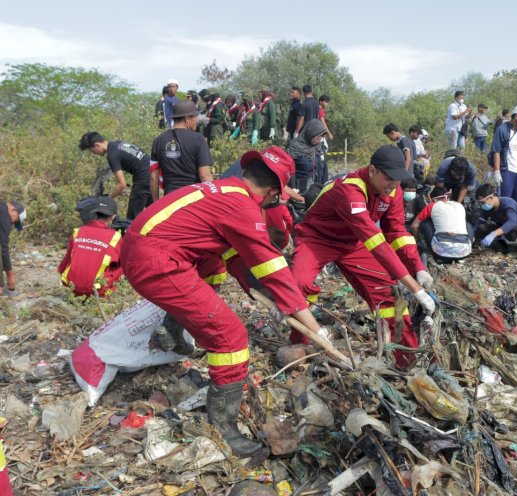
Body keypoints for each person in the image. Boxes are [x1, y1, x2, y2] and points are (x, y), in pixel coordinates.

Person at [121, 146, 327, 458]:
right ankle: (223, 424)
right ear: (273, 192)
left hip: (144, 251)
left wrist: (255, 288)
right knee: (231, 338)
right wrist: (315, 330)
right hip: (157, 262)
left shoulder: (222, 190)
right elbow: (272, 268)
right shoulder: (241, 206)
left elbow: (234, 256)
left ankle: (172, 326)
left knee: (210, 267)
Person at [291, 145, 435, 368]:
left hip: (353, 243)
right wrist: (415, 288)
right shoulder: (350, 190)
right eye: (388, 177)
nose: (394, 184)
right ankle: (298, 346)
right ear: (372, 170)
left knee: (390, 295)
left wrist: (418, 267)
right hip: (317, 239)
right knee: (299, 285)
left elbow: (396, 232)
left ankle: (406, 360)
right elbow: (377, 243)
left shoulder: (393, 191)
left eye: (398, 179)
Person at [57, 197, 123, 297]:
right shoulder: (115, 237)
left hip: (71, 287)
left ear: (95, 213)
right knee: (123, 265)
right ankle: (107, 293)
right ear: (113, 216)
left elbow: (65, 263)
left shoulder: (78, 231)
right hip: (96, 291)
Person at [79, 132, 153, 219]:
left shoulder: (112, 155)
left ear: (97, 145)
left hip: (143, 178)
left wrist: (109, 199)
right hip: (152, 173)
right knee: (154, 209)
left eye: (92, 151)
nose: (94, 153)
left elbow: (122, 184)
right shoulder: (118, 144)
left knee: (132, 218)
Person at [150, 101, 213, 200]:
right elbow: (204, 175)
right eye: (194, 117)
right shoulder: (198, 139)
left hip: (170, 201)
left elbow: (154, 178)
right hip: (193, 199)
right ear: (187, 118)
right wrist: (213, 199)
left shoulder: (158, 140)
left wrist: (156, 204)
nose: (196, 120)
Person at [409, 186, 472, 262]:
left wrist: (417, 241)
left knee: (425, 222)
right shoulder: (460, 206)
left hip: (440, 253)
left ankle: (430, 252)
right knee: (467, 224)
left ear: (434, 199)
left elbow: (414, 226)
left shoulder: (432, 205)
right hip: (464, 253)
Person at [474, 183, 517, 253]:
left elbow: (512, 222)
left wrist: (493, 234)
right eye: (480, 203)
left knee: (512, 229)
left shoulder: (507, 203)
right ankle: (501, 246)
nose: (482, 205)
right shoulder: (489, 207)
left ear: (491, 197)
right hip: (502, 229)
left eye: (483, 202)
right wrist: (473, 235)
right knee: (481, 228)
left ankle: (516, 248)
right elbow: (480, 221)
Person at [287, 119, 327, 194]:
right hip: (300, 191)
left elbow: (324, 170)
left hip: (317, 190)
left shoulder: (320, 148)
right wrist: (292, 188)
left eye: (321, 136)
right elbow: (289, 169)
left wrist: (325, 188)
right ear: (310, 133)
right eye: (317, 136)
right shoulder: (295, 147)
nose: (319, 139)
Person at [0, 200, 25, 296]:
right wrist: (9, 273)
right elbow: (3, 246)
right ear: (13, 210)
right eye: (16, 220)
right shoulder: (5, 215)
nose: (12, 223)